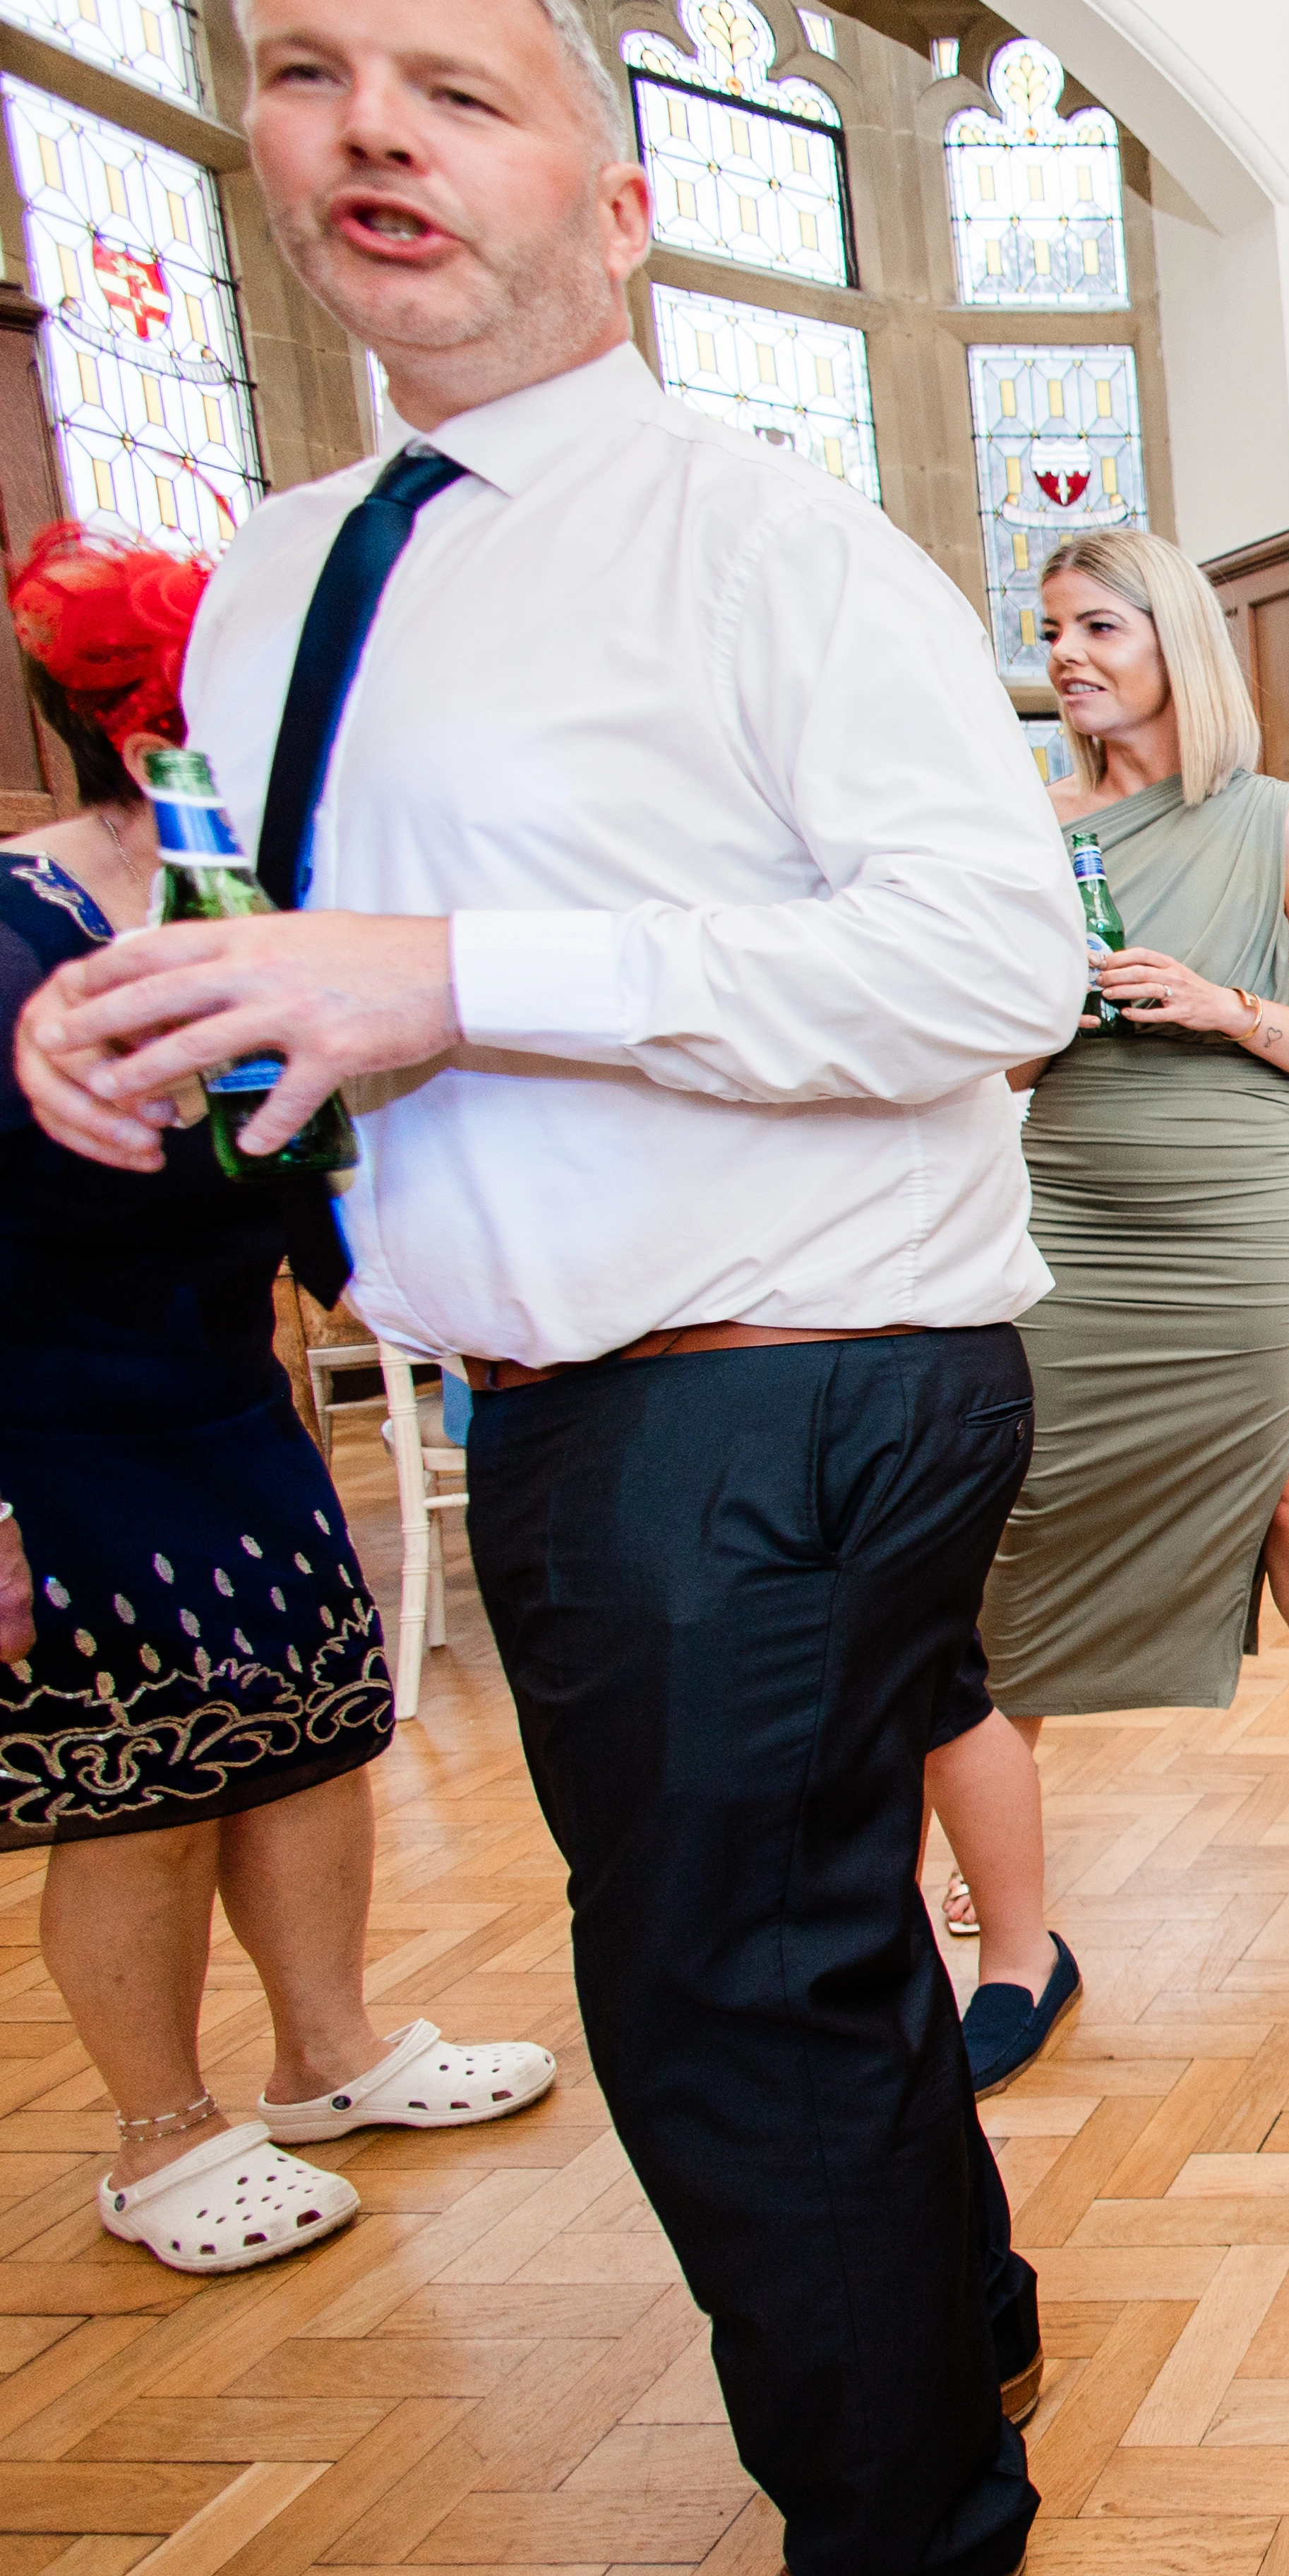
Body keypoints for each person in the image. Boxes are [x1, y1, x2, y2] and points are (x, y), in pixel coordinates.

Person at [13, 4, 1072, 2565]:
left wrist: (456, 977)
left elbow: (991, 960)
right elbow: (300, 964)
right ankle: (961, 2324)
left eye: (461, 86)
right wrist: (150, 1018)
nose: (373, 126)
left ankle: (907, 2523)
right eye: (308, 69)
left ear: (616, 210)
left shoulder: (762, 538)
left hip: (776, 1377)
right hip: (580, 1398)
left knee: (721, 2010)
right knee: (800, 1952)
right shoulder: (280, 573)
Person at [0, 525, 556, 2279]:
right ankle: (158, 2131)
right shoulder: (12, 919)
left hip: (231, 1405)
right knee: (141, 1786)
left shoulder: (264, 898)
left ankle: (329, 2051)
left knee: (312, 1730)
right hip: (55, 1429)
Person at [922, 530, 1289, 2099]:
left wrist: (1222, 1005)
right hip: (1073, 1208)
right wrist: (1031, 1018)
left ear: (1174, 640)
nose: (1066, 652)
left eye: (1098, 625)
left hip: (1237, 1212)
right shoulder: (1032, 830)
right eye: (1050, 628)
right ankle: (991, 1852)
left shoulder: (1278, 822)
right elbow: (997, 1064)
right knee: (1024, 1513)